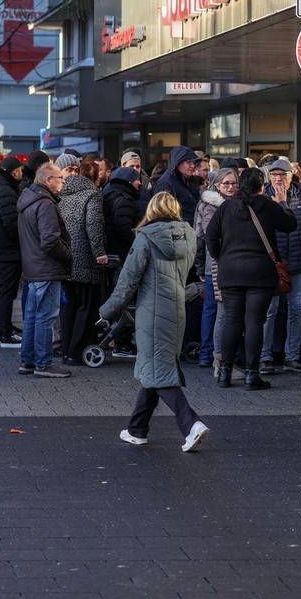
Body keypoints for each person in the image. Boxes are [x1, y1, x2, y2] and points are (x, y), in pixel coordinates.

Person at [100, 192, 208, 452]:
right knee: (155, 367)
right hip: (176, 309)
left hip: (152, 313)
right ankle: (137, 429)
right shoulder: (189, 236)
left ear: (151, 210)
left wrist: (106, 311)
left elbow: (128, 281)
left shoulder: (145, 238)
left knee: (159, 371)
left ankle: (191, 424)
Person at [205, 167, 296, 389]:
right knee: (254, 322)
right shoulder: (267, 205)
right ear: (261, 186)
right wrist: (283, 203)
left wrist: (222, 257)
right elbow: (290, 225)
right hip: (260, 272)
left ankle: (225, 373)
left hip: (230, 272)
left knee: (231, 320)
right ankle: (251, 375)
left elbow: (210, 237)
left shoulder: (227, 207)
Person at [16, 162, 72, 378]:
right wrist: (69, 255)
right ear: (48, 180)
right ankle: (43, 363)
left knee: (32, 317)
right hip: (46, 268)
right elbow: (50, 241)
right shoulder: (45, 203)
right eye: (60, 178)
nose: (63, 182)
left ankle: (28, 361)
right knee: (45, 318)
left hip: (33, 267)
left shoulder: (28, 200)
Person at [260, 158, 301, 374]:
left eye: (282, 174)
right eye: (274, 175)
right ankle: (265, 357)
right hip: (272, 264)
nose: (278, 179)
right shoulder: (263, 197)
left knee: (297, 309)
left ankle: (292, 356)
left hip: (297, 263)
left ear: (292, 176)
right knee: (269, 311)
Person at [57, 159, 108, 367]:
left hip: (65, 257)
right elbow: (94, 225)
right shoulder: (92, 194)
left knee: (68, 307)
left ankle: (66, 351)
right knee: (85, 306)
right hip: (85, 258)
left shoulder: (61, 194)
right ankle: (77, 351)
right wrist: (100, 253)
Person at [193, 168, 236, 372]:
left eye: (234, 183)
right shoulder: (211, 205)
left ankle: (213, 353)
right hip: (215, 264)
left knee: (216, 310)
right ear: (217, 185)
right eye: (226, 183)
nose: (230, 187)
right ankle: (207, 353)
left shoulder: (234, 203)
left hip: (228, 263)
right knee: (213, 309)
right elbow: (205, 237)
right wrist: (200, 266)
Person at [0, 154, 24, 347]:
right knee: (6, 292)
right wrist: (22, 240)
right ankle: (5, 333)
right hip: (7, 250)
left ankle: (2, 329)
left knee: (1, 291)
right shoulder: (6, 191)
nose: (22, 174)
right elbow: (11, 223)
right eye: (20, 170)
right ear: (14, 172)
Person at [154, 146, 202, 224]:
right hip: (178, 229)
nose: (193, 166)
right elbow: (163, 216)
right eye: (188, 162)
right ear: (177, 162)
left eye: (194, 162)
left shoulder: (189, 180)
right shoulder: (165, 183)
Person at [102, 166, 142, 258]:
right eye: (137, 179)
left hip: (111, 249)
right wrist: (139, 242)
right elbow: (124, 228)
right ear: (129, 181)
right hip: (123, 252)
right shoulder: (125, 200)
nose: (140, 183)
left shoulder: (109, 194)